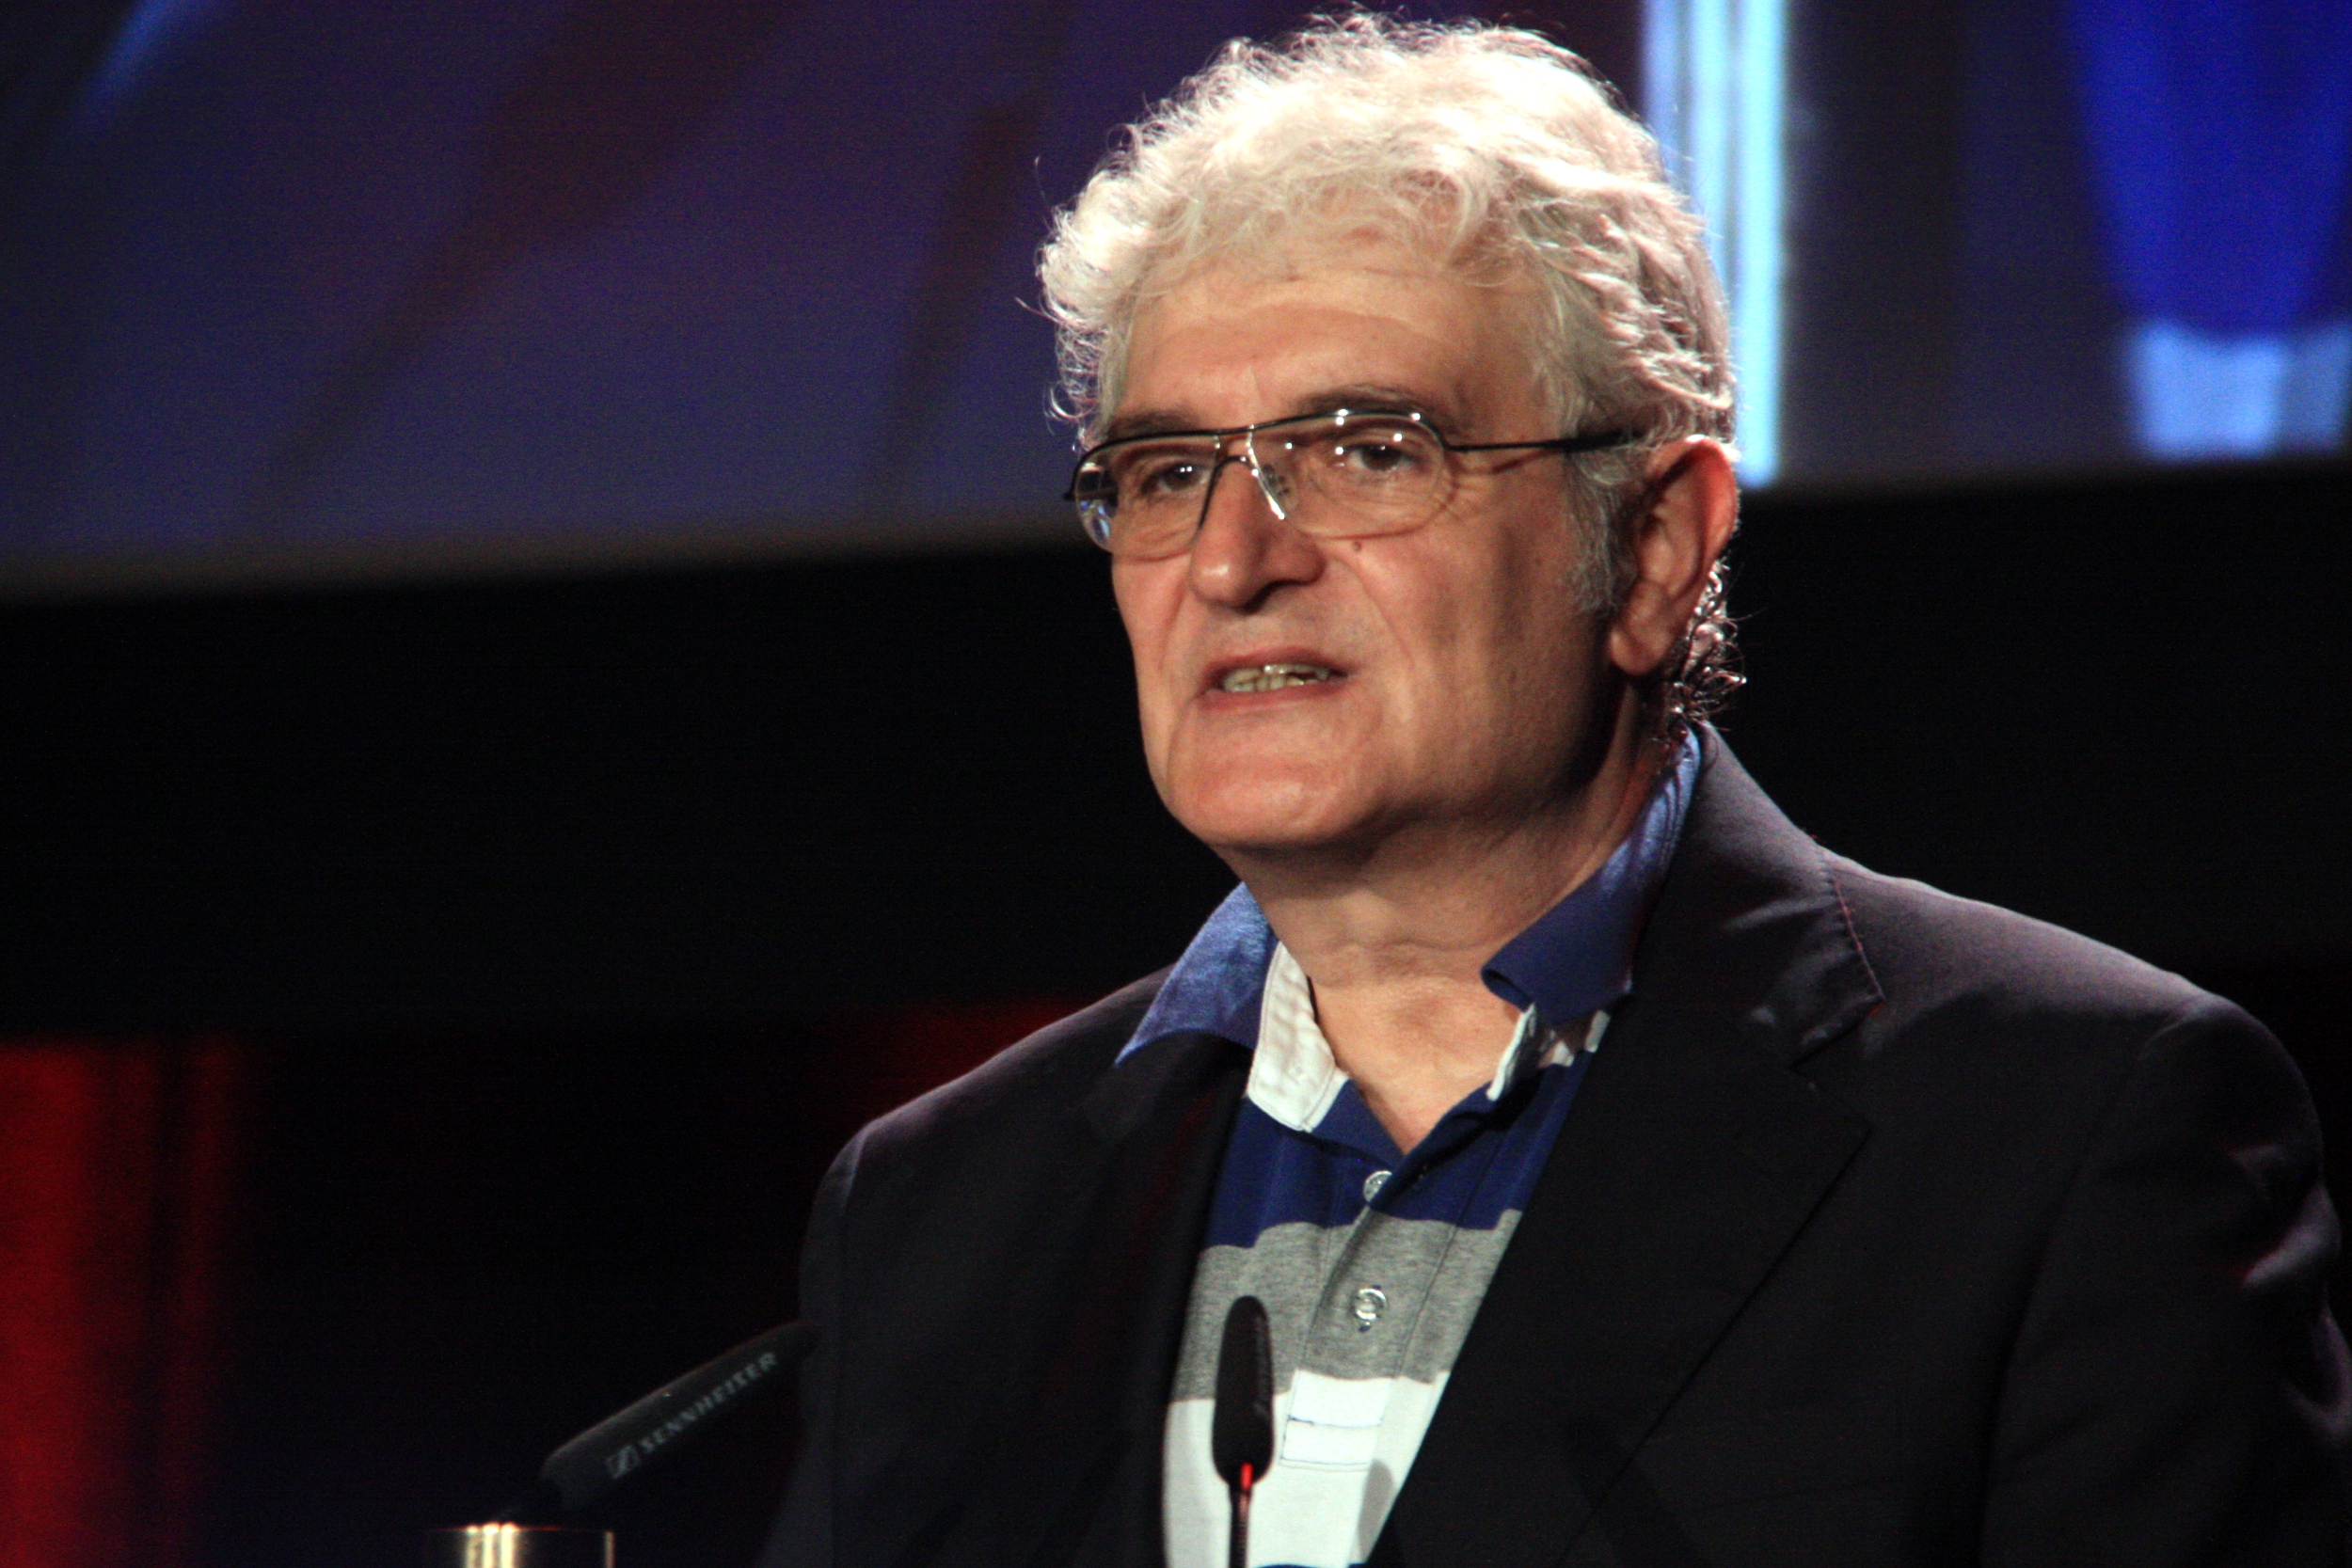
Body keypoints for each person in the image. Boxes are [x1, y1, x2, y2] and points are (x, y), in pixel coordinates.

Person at [761, 18, 2350, 1566]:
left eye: (1367, 450)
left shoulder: (2060, 1136)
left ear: (1652, 550)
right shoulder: (941, 1209)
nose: (1234, 562)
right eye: (1170, 474)